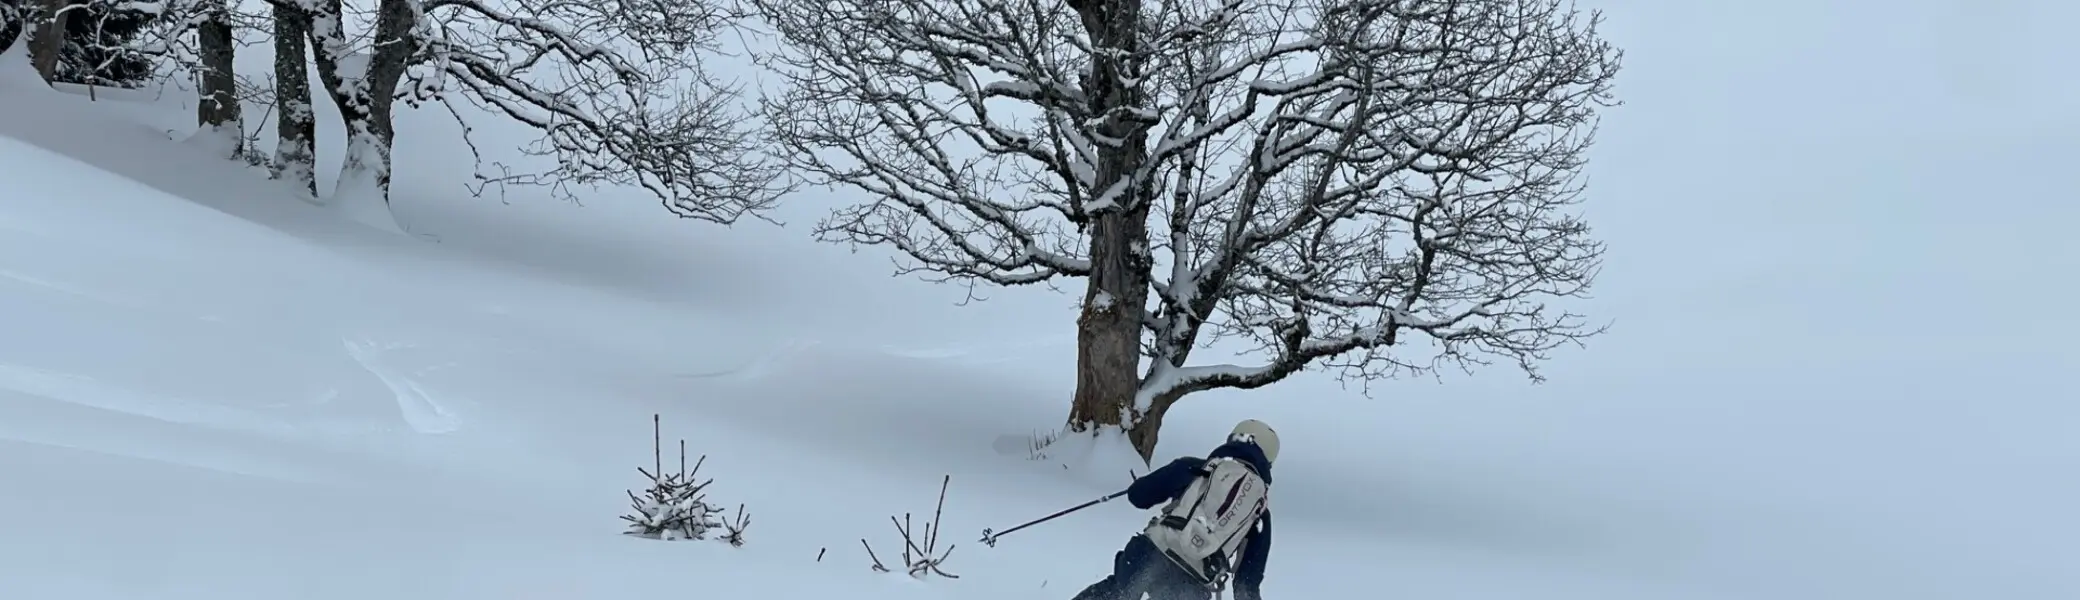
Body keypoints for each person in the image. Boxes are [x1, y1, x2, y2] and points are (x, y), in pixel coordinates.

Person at [1072, 419, 1278, 600]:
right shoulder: (1259, 514)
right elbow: (1246, 586)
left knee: (1116, 591)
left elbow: (1139, 496)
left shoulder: (1196, 469)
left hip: (1148, 554)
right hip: (1191, 586)